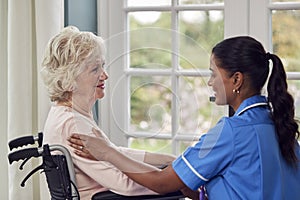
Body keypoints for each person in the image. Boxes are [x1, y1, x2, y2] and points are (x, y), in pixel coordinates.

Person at [68, 36, 300, 200]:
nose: (210, 82)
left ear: (236, 80)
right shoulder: (280, 126)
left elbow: (161, 182)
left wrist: (105, 152)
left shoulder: (231, 131)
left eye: (213, 73)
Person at [40, 26, 187, 200]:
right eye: (95, 70)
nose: (105, 75)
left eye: (102, 66)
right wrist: (177, 181)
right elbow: (125, 184)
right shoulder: (73, 124)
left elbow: (113, 152)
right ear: (69, 79)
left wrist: (171, 160)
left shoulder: (64, 114)